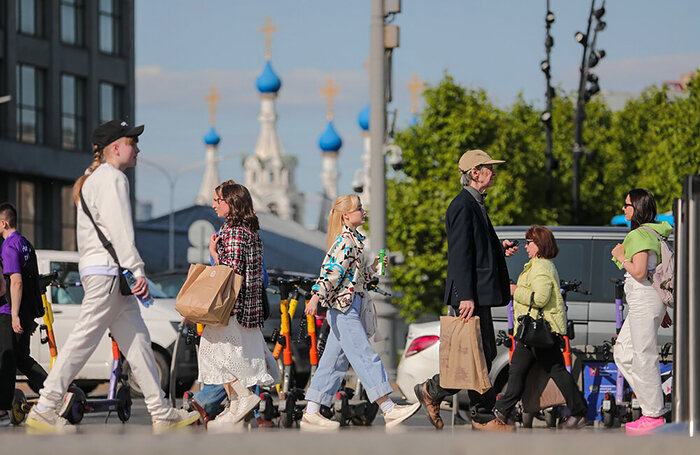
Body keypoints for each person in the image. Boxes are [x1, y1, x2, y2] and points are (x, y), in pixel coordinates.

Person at [26, 120, 199, 434]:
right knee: (84, 340)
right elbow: (121, 230)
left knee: (138, 343)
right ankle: (45, 406)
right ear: (115, 147)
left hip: (103, 271)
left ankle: (160, 411)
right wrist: (136, 269)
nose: (138, 149)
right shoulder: (114, 179)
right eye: (132, 142)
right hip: (110, 272)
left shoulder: (92, 180)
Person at [414, 149, 518, 431]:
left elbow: (476, 247)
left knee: (481, 353)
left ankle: (478, 412)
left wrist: (499, 248)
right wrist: (466, 296)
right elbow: (460, 255)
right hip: (470, 295)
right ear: (475, 173)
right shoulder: (462, 205)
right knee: (475, 354)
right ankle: (436, 392)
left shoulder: (474, 203)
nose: (493, 173)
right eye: (488, 168)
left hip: (477, 293)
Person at [300, 194, 421, 432]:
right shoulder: (344, 241)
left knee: (333, 362)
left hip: (349, 305)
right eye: (359, 209)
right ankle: (388, 408)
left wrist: (373, 269)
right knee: (365, 356)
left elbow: (353, 277)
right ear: (346, 215)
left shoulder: (354, 240)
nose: (363, 212)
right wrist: (316, 297)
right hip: (344, 308)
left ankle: (311, 412)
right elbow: (331, 272)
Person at [187, 180, 277, 428]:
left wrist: (214, 256)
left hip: (231, 308)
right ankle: (237, 410)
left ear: (231, 202)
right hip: (246, 308)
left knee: (215, 354)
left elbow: (231, 274)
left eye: (218, 200)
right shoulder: (248, 229)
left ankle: (244, 398)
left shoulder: (234, 232)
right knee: (236, 358)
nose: (213, 205)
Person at [493, 225, 588, 429]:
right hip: (537, 330)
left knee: (521, 372)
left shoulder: (541, 267)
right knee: (549, 370)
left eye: (529, 242)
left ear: (539, 245)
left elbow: (540, 298)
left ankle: (501, 412)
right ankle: (578, 411)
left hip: (536, 330)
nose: (526, 246)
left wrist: (515, 290)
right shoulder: (538, 265)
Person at [611, 189, 672, 435]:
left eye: (626, 205)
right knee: (623, 352)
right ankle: (654, 401)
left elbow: (638, 271)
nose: (623, 209)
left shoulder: (639, 234)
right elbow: (650, 273)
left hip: (644, 300)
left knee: (643, 355)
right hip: (649, 299)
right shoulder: (653, 232)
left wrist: (619, 256)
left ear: (637, 207)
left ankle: (654, 414)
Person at [0, 204, 51, 426]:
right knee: (22, 359)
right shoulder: (26, 244)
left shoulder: (9, 245)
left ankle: (2, 407)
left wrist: (14, 316)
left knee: (8, 358)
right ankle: (53, 392)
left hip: (12, 312)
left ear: (3, 223)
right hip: (27, 311)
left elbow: (16, 281)